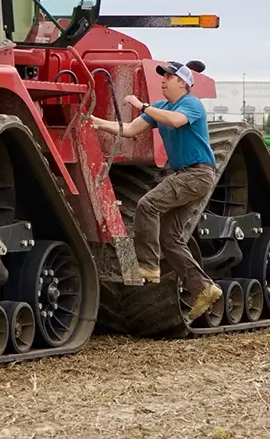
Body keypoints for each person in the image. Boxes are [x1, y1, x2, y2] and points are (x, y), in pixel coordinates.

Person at [90, 60, 225, 321]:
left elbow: (176, 121)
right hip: (186, 175)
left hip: (196, 174)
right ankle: (204, 288)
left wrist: (142, 105)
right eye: (162, 76)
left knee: (148, 205)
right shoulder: (160, 107)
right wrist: (96, 122)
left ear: (183, 83)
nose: (163, 79)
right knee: (170, 239)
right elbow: (128, 130)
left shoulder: (191, 105)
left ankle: (149, 265)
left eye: (169, 76)